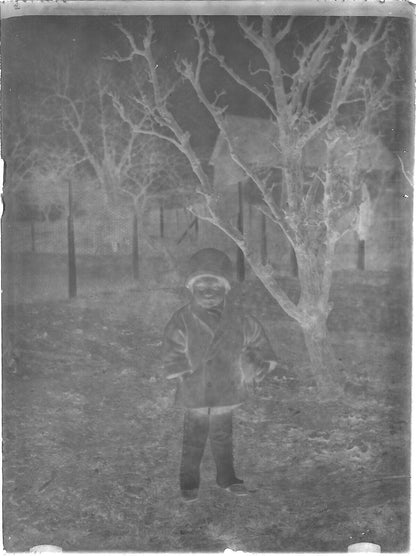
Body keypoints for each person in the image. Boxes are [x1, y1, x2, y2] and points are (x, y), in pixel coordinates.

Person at [162, 248, 281, 502]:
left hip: (227, 384)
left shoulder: (238, 317)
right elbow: (173, 345)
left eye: (214, 287)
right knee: (194, 434)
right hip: (196, 384)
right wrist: (181, 371)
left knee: (223, 434)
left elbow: (258, 339)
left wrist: (260, 362)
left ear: (225, 289)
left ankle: (226, 476)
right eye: (201, 287)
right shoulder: (182, 317)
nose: (207, 292)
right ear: (191, 289)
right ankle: (189, 479)